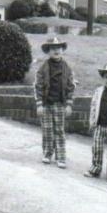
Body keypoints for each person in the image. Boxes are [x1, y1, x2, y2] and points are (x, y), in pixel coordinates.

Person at [34, 37, 75, 169]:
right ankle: (47, 153)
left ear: (62, 50)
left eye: (58, 48)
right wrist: (39, 104)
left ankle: (61, 156)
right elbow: (38, 86)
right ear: (48, 51)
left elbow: (70, 86)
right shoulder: (43, 68)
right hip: (46, 103)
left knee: (59, 130)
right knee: (47, 130)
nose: (56, 50)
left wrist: (69, 104)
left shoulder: (67, 68)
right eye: (52, 48)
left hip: (59, 104)